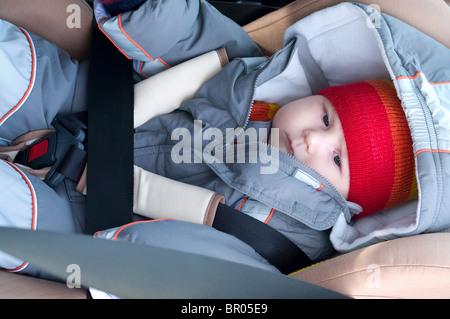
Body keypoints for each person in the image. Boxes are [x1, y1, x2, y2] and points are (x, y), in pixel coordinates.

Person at [0, 0, 450, 284]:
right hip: (78, 99)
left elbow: (210, 273)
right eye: (327, 117)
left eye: (337, 158)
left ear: (352, 203)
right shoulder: (255, 74)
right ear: (319, 92)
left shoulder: (289, 241)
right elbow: (186, 31)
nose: (313, 139)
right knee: (14, 68)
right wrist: (140, 8)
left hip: (83, 221)